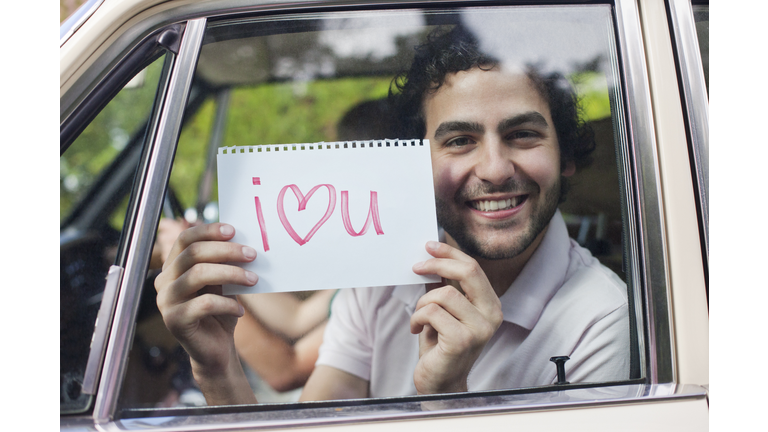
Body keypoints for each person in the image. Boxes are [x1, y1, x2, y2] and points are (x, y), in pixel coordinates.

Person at [154, 25, 628, 405]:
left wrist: (447, 399)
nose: (495, 169)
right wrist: (215, 368)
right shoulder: (380, 274)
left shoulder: (603, 319)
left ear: (565, 156)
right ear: (413, 164)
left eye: (523, 134)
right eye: (459, 140)